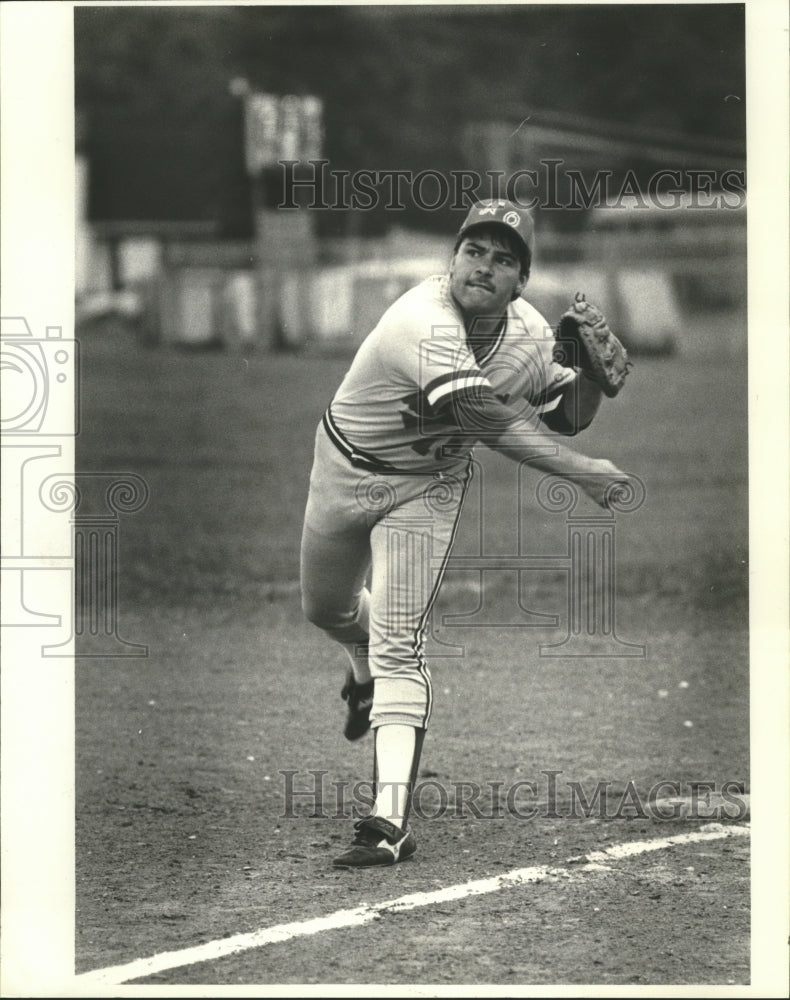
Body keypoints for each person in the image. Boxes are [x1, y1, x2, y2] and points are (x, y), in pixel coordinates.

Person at [299, 199, 627, 868]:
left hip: (430, 488)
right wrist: (584, 473)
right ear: (451, 259)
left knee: (400, 643)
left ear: (521, 281)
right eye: (475, 250)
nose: (485, 265)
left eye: (504, 258)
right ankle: (361, 675)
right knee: (325, 608)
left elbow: (566, 414)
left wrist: (590, 380)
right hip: (344, 468)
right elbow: (482, 415)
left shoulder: (530, 338)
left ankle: (387, 822)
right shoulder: (418, 320)